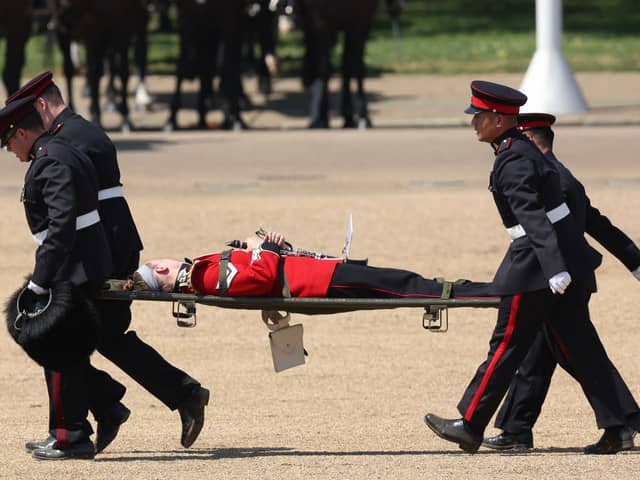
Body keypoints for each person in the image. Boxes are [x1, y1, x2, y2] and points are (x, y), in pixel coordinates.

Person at [423, 80, 640, 455]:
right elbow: (582, 218)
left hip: (537, 268)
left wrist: (555, 267)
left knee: (507, 344)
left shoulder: (513, 158)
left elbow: (533, 215)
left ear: (498, 119)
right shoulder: (522, 153)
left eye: (478, 117)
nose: (473, 123)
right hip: (555, 266)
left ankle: (472, 424)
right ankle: (619, 425)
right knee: (579, 351)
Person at [6, 72, 210, 454]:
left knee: (61, 336)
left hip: (99, 252)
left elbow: (80, 214)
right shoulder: (78, 133)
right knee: (105, 338)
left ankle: (87, 421)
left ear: (42, 106)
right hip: (103, 248)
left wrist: (80, 270)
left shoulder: (66, 142)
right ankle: (165, 396)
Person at [482, 113, 640, 451]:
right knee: (537, 356)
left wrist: (554, 273)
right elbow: (598, 224)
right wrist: (634, 261)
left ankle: (625, 418)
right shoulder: (557, 175)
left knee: (578, 353)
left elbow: (562, 229)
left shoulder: (552, 178)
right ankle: (516, 429)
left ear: (534, 140)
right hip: (554, 277)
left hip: (556, 279)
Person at [1, 97, 113, 460]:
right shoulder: (58, 150)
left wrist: (40, 281)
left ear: (20, 132)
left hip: (73, 265)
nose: (9, 150)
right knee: (66, 355)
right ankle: (80, 421)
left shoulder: (52, 159)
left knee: (58, 352)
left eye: (8, 142)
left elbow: (60, 228)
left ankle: (71, 436)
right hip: (78, 261)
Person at [122, 231, 497, 301]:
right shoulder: (200, 275)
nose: (165, 260)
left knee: (400, 280)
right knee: (402, 283)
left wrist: (263, 248)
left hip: (315, 275)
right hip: (317, 282)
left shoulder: (200, 274)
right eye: (159, 264)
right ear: (163, 271)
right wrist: (263, 246)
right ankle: (481, 292)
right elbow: (260, 277)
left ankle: (472, 290)